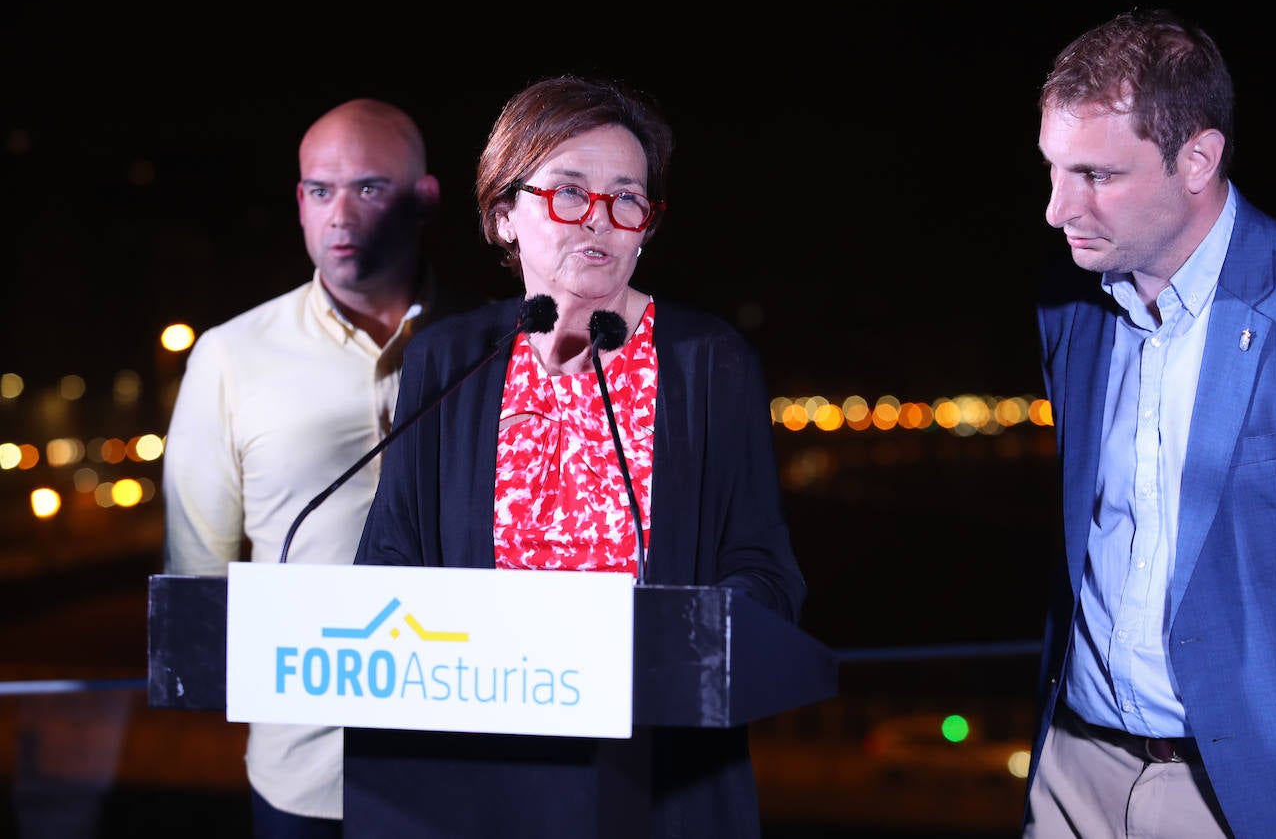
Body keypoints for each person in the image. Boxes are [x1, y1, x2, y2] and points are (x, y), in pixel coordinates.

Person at [351, 74, 807, 838]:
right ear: (503, 215)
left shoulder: (708, 361)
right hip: (473, 782)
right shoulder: (447, 358)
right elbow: (391, 558)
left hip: (656, 777)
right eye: (568, 192)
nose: (599, 220)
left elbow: (764, 571)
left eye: (627, 199)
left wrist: (677, 646)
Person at [1023, 8, 1276, 838]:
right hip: (1074, 769)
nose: (1055, 208)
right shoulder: (1068, 310)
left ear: (1197, 160)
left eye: (1096, 176)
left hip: (1253, 792)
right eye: (1052, 169)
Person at [162, 98, 465, 837]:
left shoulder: (493, 343)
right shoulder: (231, 356)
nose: (339, 214)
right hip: (304, 776)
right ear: (298, 203)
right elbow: (196, 578)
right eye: (320, 191)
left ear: (424, 200)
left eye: (368, 188)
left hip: (469, 762)